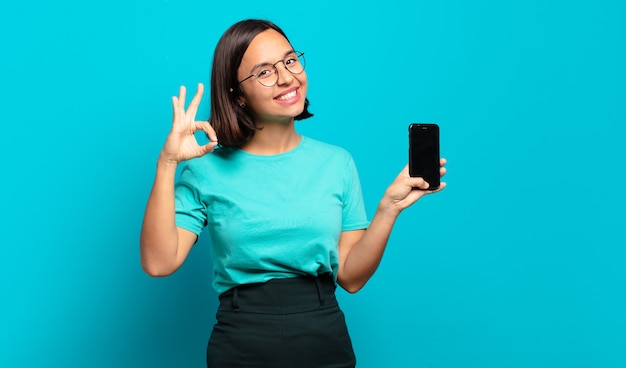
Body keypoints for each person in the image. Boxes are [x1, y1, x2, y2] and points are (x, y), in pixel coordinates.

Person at [140, 19, 447, 368]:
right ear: (236, 93)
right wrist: (167, 163)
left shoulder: (337, 163)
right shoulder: (205, 169)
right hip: (240, 340)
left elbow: (351, 277)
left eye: (289, 61)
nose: (287, 78)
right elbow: (158, 262)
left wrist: (388, 209)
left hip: (323, 335)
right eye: (264, 72)